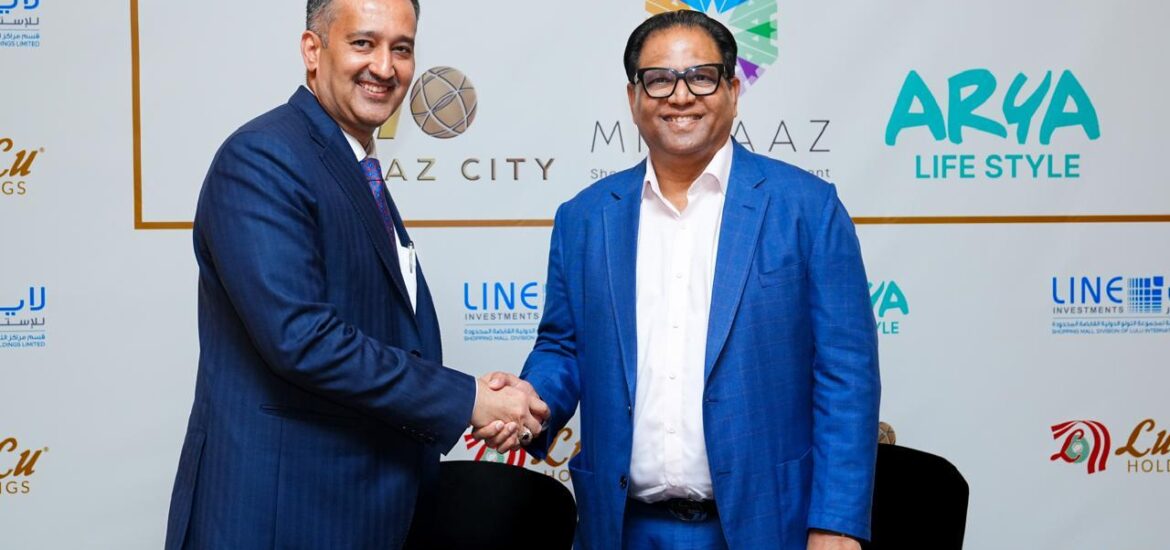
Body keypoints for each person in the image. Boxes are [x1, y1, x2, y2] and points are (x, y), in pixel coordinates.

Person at [479, 10, 880, 550]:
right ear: (633, 97)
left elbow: (846, 375)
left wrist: (836, 524)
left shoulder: (807, 208)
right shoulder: (585, 217)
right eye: (660, 79)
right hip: (621, 528)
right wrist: (533, 402)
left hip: (768, 526)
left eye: (702, 77)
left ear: (733, 91)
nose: (681, 95)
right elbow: (564, 347)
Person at [163, 0, 546, 548]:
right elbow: (302, 339)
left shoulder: (351, 164)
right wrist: (468, 399)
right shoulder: (263, 157)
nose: (384, 67)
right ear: (312, 50)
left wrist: (475, 398)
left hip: (356, 509)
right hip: (281, 517)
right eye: (363, 43)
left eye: (401, 48)